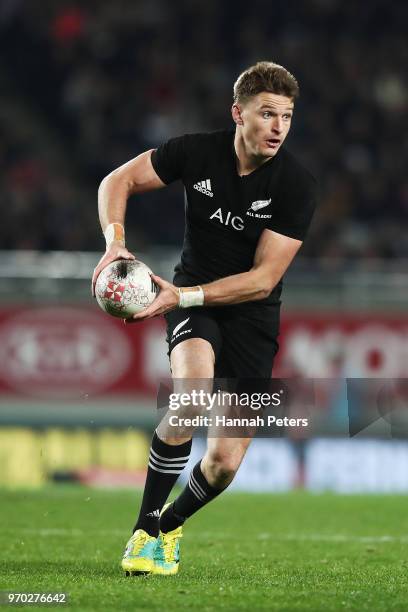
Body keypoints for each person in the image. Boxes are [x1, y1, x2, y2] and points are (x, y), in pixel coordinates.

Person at [92, 61, 317, 576]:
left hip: (251, 317)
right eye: (267, 114)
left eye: (286, 116)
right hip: (191, 303)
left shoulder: (297, 185)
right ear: (238, 114)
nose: (279, 127)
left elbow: (262, 280)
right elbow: (117, 181)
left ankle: (168, 526)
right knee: (191, 395)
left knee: (223, 465)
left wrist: (184, 296)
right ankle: (143, 532)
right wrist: (114, 246)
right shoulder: (196, 152)